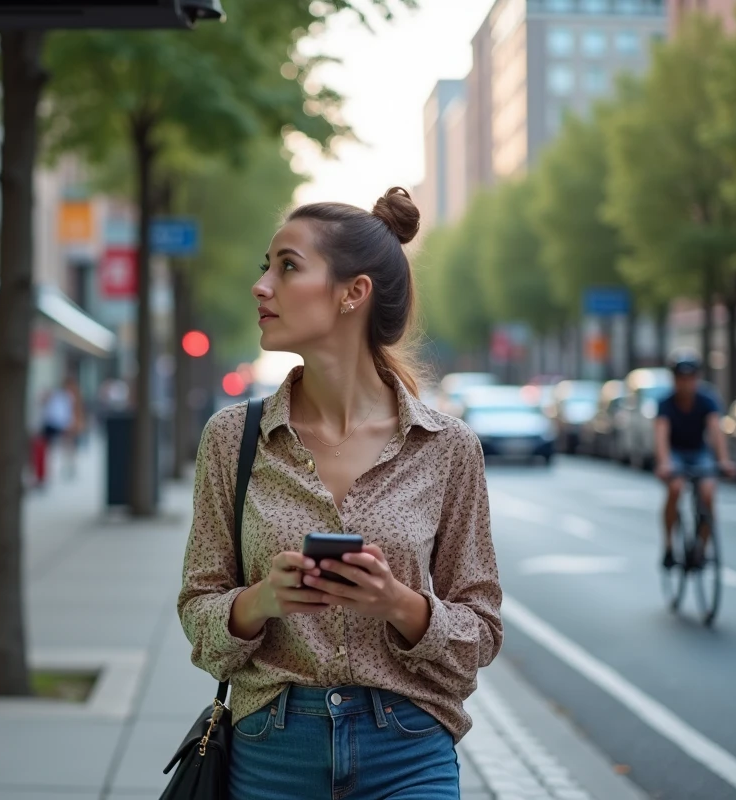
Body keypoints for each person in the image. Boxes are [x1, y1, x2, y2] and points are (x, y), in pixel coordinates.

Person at [178, 188, 502, 799]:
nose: (262, 285)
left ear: (353, 293)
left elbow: (480, 631)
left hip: (408, 747)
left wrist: (399, 604)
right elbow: (198, 610)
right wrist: (262, 600)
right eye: (265, 267)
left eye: (288, 266)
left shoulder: (447, 448)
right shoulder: (232, 439)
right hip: (271, 747)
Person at [653, 350, 735, 568]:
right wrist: (664, 462)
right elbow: (661, 434)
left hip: (700, 453)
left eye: (691, 378)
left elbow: (715, 430)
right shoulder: (666, 403)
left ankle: (701, 548)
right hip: (675, 453)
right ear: (674, 379)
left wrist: (724, 460)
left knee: (708, 493)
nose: (686, 383)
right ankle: (669, 545)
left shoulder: (707, 400)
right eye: (681, 378)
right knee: (675, 488)